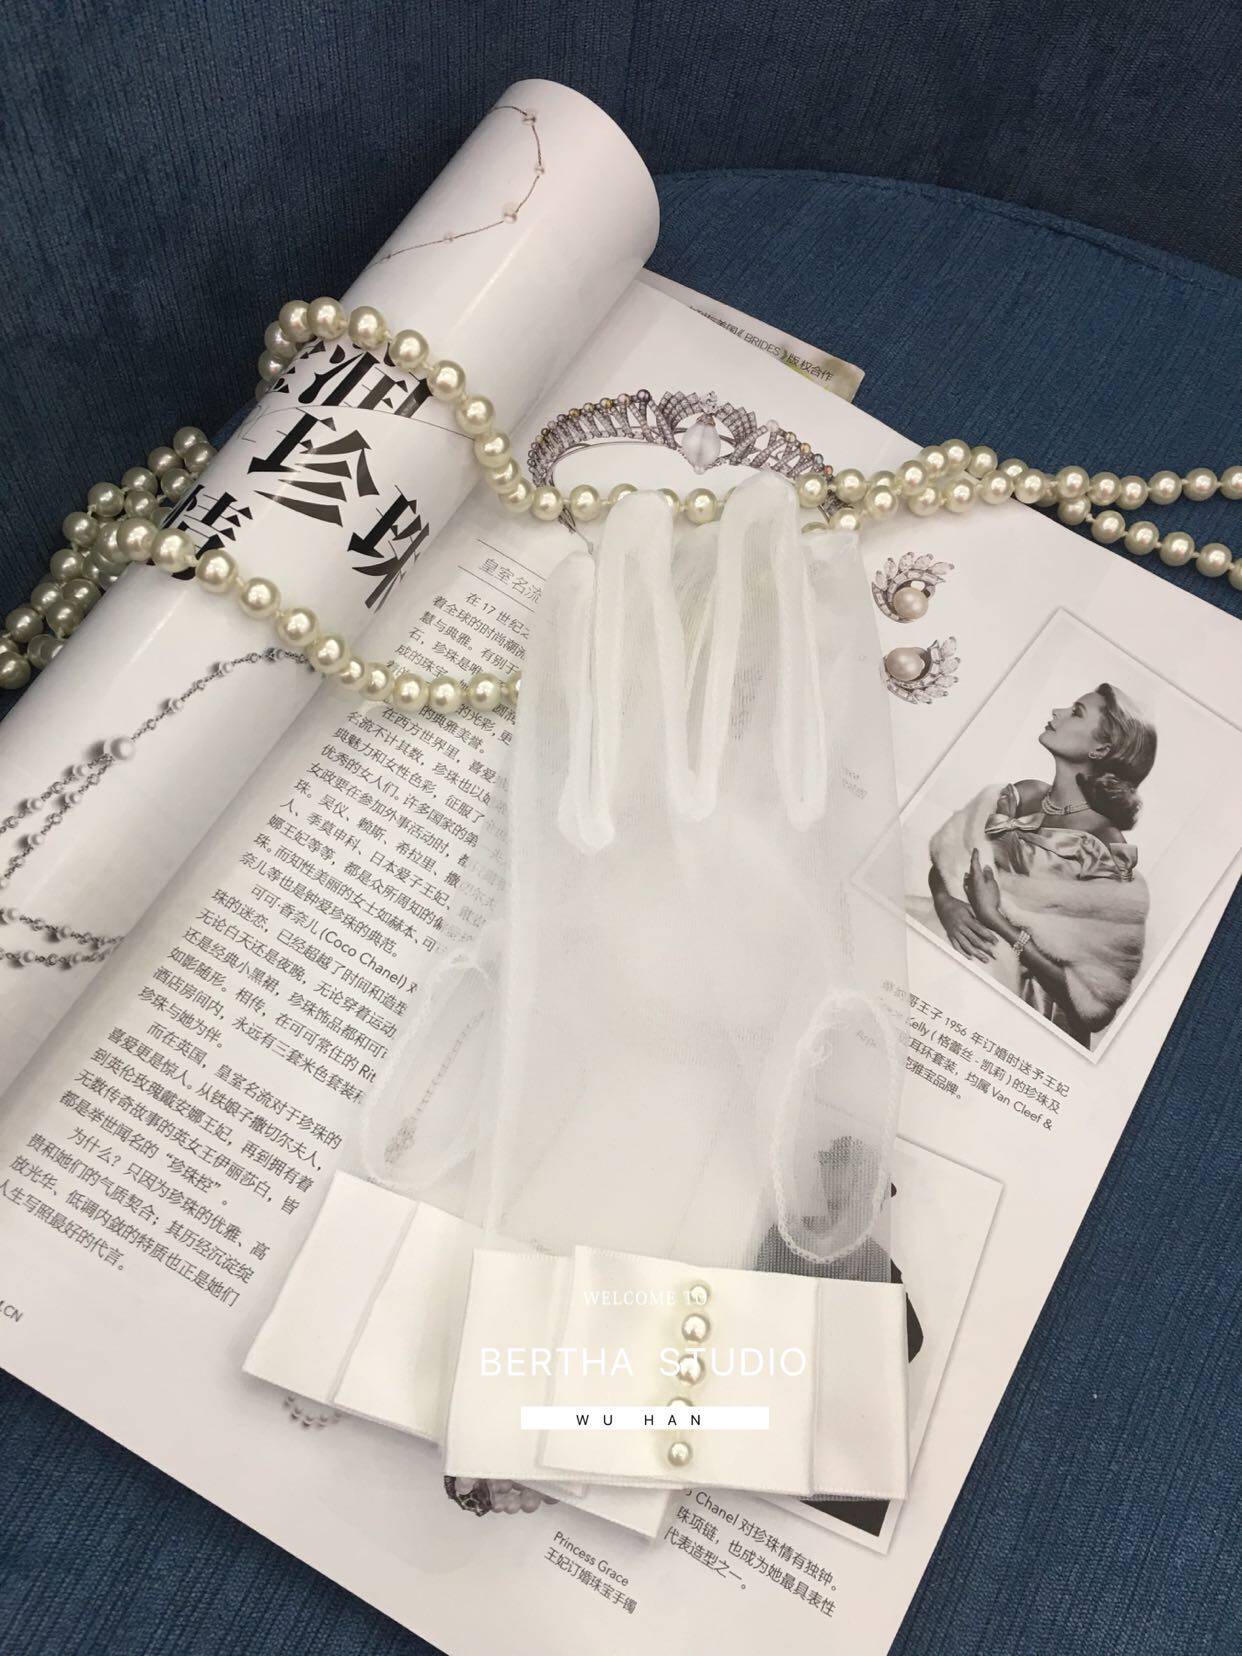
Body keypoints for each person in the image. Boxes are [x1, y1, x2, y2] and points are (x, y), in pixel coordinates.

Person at [926, 683, 1156, 1047]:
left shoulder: (1107, 851)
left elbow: (1092, 1004)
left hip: (1026, 1014)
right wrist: (946, 903)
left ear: (1101, 749)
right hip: (961, 960)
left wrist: (994, 919)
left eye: (1076, 711)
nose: (1057, 712)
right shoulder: (1018, 795)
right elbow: (949, 860)